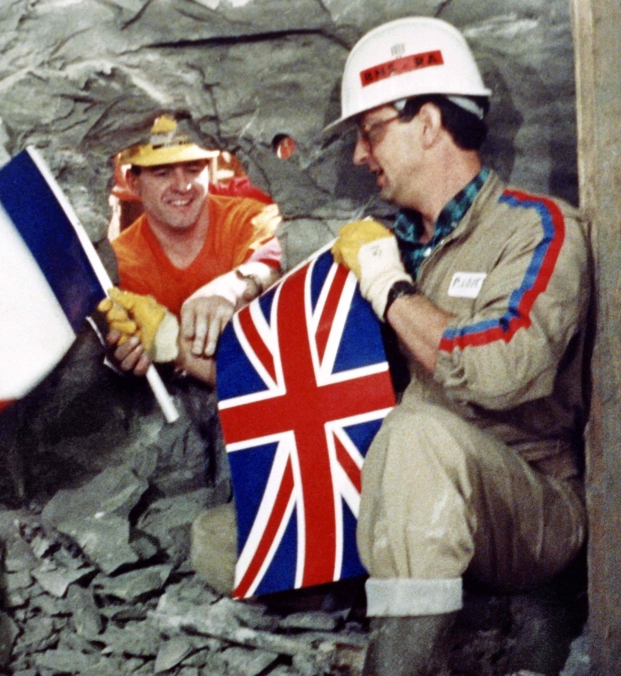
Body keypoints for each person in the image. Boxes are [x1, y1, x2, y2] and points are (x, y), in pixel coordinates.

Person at [325, 17, 589, 675]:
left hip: (530, 502)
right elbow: (305, 362)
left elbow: (505, 366)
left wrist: (389, 288)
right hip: (427, 500)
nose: (361, 155)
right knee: (226, 544)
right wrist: (182, 339)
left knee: (416, 434)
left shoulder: (537, 228)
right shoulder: (398, 241)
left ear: (430, 123)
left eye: (371, 131)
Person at [101, 115, 282, 385]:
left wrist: (234, 285)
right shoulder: (122, 264)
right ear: (133, 182)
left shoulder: (247, 219)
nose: (182, 185)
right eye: (162, 173)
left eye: (193, 169)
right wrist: (127, 357)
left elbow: (279, 259)